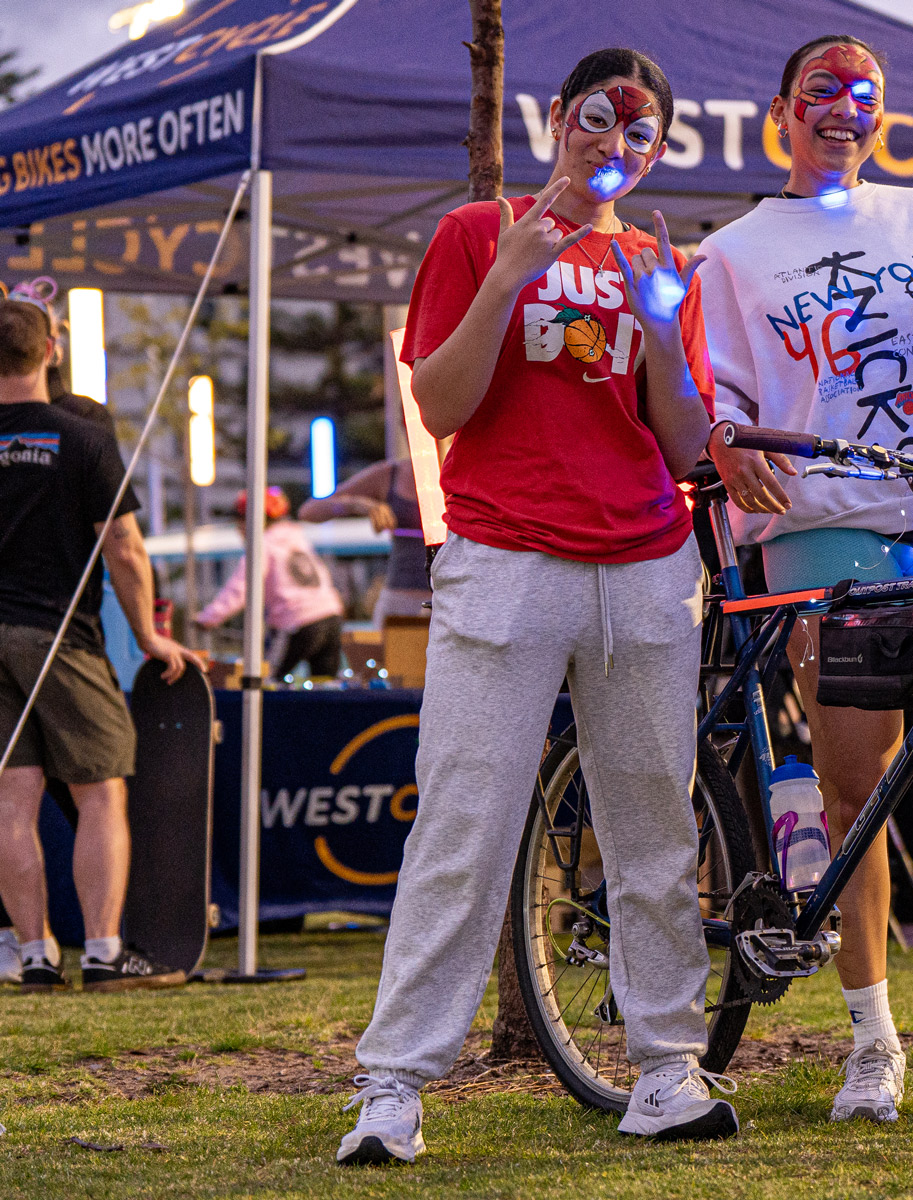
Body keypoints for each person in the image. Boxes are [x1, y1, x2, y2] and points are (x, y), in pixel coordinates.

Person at [336, 47, 728, 1166]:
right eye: (598, 118)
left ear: (657, 148)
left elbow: (682, 441)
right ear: (554, 117)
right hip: (506, 558)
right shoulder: (476, 233)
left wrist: (664, 332)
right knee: (465, 823)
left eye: (640, 131)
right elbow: (440, 401)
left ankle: (665, 1069)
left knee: (654, 824)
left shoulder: (659, 259)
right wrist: (511, 272)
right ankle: (395, 1084)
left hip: (648, 562)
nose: (615, 143)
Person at [697, 33, 913, 1125]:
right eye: (823, 91)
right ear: (781, 111)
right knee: (855, 794)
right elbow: (711, 397)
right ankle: (874, 1041)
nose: (845, 108)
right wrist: (729, 438)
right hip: (824, 538)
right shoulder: (731, 253)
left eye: (864, 94)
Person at [0, 296, 203, 993]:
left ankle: (32, 957)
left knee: (11, 801)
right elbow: (123, 544)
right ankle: (105, 953)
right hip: (60, 635)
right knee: (101, 793)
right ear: (51, 350)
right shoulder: (80, 436)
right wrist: (148, 634)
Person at [194, 487, 346, 681]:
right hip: (330, 615)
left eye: (240, 520)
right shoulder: (296, 538)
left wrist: (209, 618)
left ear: (255, 520)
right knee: (324, 684)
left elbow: (241, 589)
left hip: (296, 621)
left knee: (266, 680)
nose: (238, 528)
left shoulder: (262, 545)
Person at [300, 459, 432, 624]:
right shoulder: (391, 473)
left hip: (450, 600)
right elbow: (308, 511)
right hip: (399, 601)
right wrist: (354, 505)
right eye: (406, 430)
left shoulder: (462, 468)